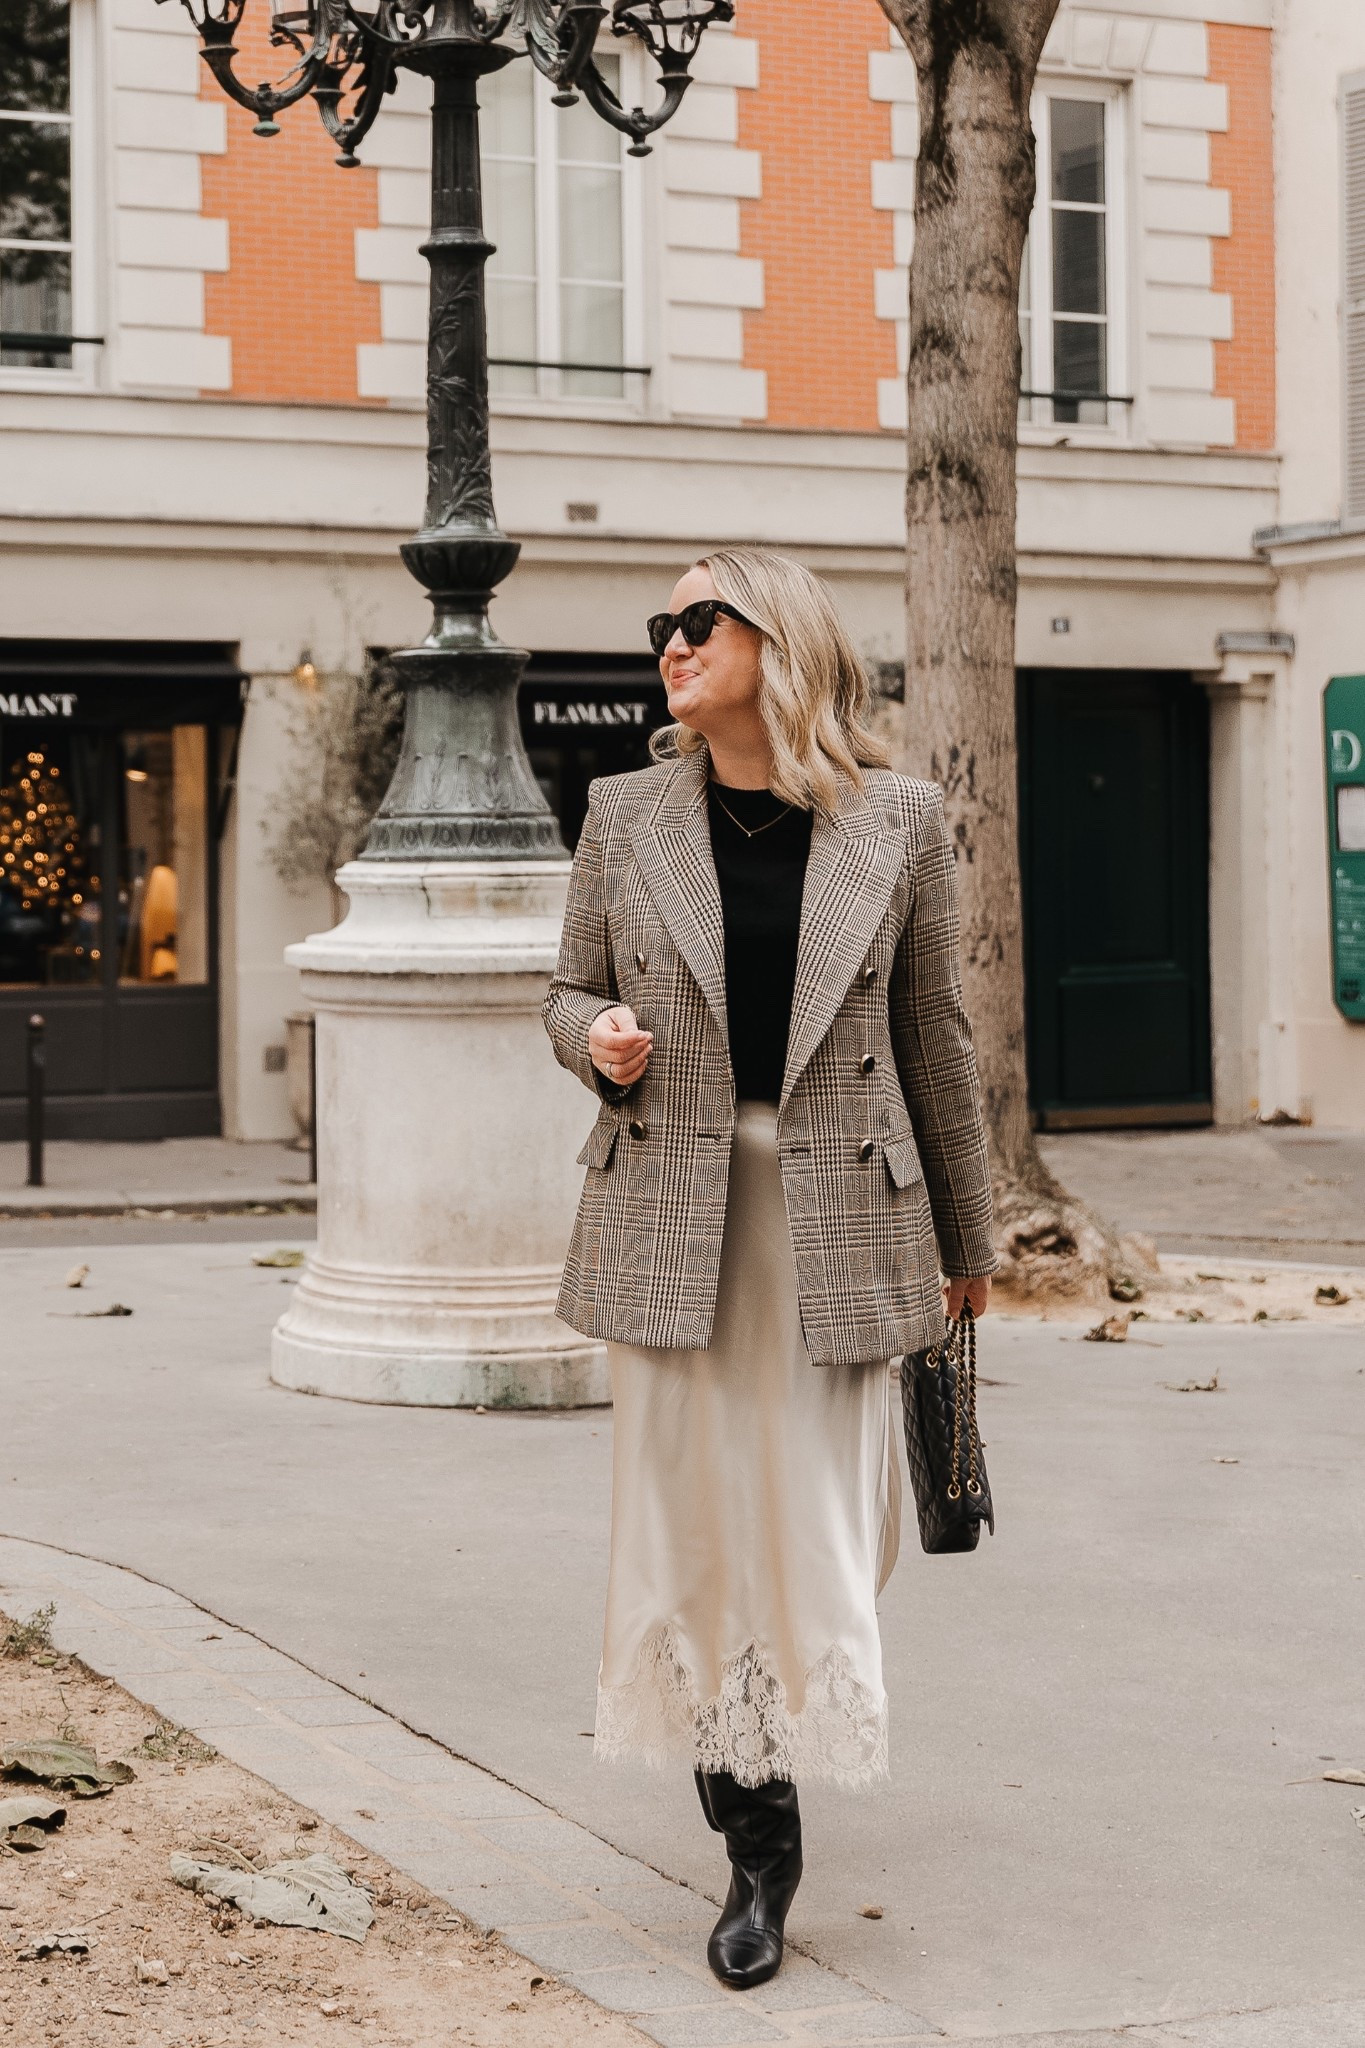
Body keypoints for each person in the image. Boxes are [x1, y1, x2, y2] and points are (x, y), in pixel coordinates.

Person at [542, 547, 996, 1990]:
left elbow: (933, 1034)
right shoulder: (623, 814)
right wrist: (593, 1037)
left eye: (699, 620)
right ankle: (756, 1842)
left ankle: (780, 1728)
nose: (669, 643)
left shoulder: (899, 821)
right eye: (658, 626)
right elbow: (563, 988)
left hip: (844, 1216)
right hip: (672, 1206)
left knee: (815, 1524)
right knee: (684, 1522)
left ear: (776, 641)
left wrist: (970, 1246)